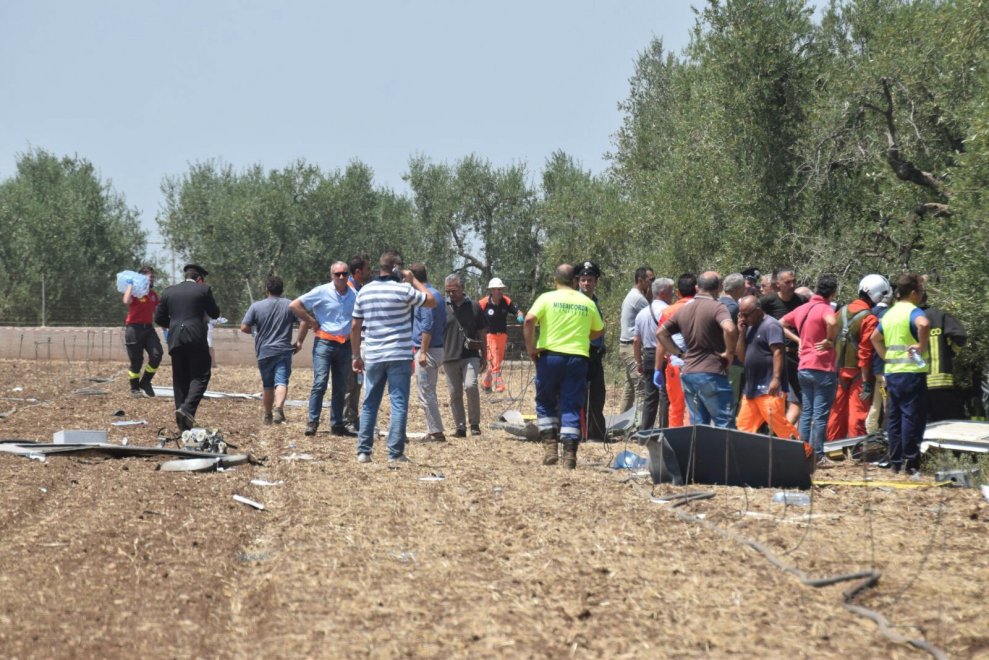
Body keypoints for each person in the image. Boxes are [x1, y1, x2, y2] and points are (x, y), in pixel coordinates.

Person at [351, 249, 437, 462]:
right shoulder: (403, 290)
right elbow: (431, 300)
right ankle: (395, 454)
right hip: (398, 353)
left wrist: (355, 356)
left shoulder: (364, 291)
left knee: (370, 402)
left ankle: (364, 451)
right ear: (397, 268)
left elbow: (355, 325)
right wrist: (414, 280)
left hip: (373, 354)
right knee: (398, 403)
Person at [524, 264, 604, 469]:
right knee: (572, 405)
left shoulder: (546, 298)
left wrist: (531, 348)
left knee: (545, 400)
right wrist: (580, 336)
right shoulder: (587, 302)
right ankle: (570, 454)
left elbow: (529, 320)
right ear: (576, 281)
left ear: (555, 280)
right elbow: (598, 331)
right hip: (578, 358)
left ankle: (550, 447)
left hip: (550, 357)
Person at [658, 271, 737, 427]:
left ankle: (697, 452)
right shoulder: (717, 307)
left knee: (698, 425)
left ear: (697, 287)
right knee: (724, 422)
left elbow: (661, 333)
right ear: (719, 288)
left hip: (689, 373)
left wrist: (679, 353)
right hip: (712, 373)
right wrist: (729, 353)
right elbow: (729, 329)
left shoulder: (684, 309)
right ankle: (725, 452)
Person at [290, 261, 357, 437]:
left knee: (340, 386)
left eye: (344, 273)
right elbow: (294, 305)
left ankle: (337, 425)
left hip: (345, 345)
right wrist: (312, 321)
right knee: (320, 383)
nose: (341, 277)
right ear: (332, 276)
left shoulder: (354, 295)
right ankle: (312, 422)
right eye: (337, 274)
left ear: (348, 274)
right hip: (324, 343)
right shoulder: (322, 291)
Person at [872, 274, 930, 474]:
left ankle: (895, 462)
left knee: (894, 418)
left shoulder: (889, 313)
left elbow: (875, 338)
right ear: (913, 293)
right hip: (912, 373)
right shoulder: (913, 311)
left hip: (893, 373)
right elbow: (923, 324)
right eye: (921, 292)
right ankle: (911, 464)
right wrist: (921, 346)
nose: (922, 296)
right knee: (911, 417)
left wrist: (886, 357)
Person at [154, 264, 220, 431]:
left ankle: (182, 425)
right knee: (201, 375)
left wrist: (174, 325)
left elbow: (159, 317)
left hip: (175, 338)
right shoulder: (203, 290)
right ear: (199, 278)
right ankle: (187, 409)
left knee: (180, 379)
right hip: (196, 337)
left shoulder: (169, 291)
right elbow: (215, 313)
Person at [782, 274, 839, 465]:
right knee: (820, 415)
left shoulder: (803, 308)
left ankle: (803, 452)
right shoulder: (824, 308)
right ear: (833, 293)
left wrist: (799, 340)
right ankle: (819, 455)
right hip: (822, 367)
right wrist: (830, 340)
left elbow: (781, 323)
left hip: (804, 366)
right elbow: (832, 322)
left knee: (806, 412)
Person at [825, 274, 887, 442]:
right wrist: (867, 381)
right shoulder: (869, 318)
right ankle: (856, 451)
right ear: (876, 295)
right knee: (857, 413)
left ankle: (833, 449)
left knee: (836, 412)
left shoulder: (839, 312)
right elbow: (865, 353)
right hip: (858, 374)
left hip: (837, 371)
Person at [240, 276, 304, 424]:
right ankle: (278, 409)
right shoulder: (290, 305)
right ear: (282, 290)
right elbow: (304, 322)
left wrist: (255, 331)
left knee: (267, 385)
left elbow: (244, 327)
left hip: (264, 351)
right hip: (283, 350)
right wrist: (299, 342)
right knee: (281, 381)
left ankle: (268, 415)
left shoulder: (256, 306)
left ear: (267, 290)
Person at [734, 295, 799, 438]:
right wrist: (741, 333)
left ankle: (804, 454)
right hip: (751, 389)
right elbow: (741, 357)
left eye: (746, 315)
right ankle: (743, 459)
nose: (743, 318)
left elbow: (778, 352)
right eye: (740, 315)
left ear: (757, 311)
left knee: (779, 426)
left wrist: (776, 379)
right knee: (743, 428)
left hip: (769, 388)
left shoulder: (771, 325)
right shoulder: (748, 327)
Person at [443, 274, 487, 437]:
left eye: (453, 291)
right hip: (449, 356)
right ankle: (460, 427)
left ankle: (474, 424)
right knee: (455, 393)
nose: (451, 294)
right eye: (448, 291)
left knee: (471, 386)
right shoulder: (442, 307)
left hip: (470, 355)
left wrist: (485, 355)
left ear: (462, 289)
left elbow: (483, 332)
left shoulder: (475, 307)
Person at [760, 268, 806, 424]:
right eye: (788, 282)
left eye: (794, 281)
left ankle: (784, 437)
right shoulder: (768, 302)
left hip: (796, 357)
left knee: (797, 401)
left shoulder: (801, 301)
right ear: (778, 284)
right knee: (772, 401)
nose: (792, 285)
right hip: (774, 357)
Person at [411, 262, 447, 442]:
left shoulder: (424, 297)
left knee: (426, 392)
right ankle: (434, 430)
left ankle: (436, 432)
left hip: (428, 350)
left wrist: (423, 352)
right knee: (429, 391)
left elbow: (427, 325)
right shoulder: (437, 294)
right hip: (437, 348)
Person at [654, 273, 696, 427]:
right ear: (697, 289)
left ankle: (674, 443)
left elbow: (661, 342)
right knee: (694, 407)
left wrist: (657, 368)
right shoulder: (704, 308)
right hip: (700, 365)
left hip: (676, 363)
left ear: (678, 292)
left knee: (677, 406)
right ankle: (693, 442)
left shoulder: (669, 311)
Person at [921, 292, 968, 421]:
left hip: (915, 381)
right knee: (944, 423)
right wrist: (951, 351)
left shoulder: (907, 317)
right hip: (941, 382)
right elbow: (961, 337)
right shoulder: (940, 316)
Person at [633, 277, 672, 430]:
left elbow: (636, 341)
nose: (672, 295)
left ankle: (645, 430)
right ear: (663, 293)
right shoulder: (667, 311)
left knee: (650, 395)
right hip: (664, 354)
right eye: (670, 292)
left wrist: (639, 362)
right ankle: (664, 429)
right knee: (665, 395)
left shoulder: (642, 313)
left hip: (648, 354)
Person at [577, 261, 608, 441]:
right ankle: (582, 433)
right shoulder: (577, 301)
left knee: (597, 394)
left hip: (595, 354)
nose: (586, 283)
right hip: (581, 353)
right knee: (580, 395)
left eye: (589, 280)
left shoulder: (595, 301)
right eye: (583, 280)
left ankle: (596, 431)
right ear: (578, 282)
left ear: (595, 282)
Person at [122, 265, 163, 398]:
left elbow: (158, 314)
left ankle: (145, 382)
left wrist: (167, 327)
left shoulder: (153, 294)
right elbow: (126, 301)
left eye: (153, 277)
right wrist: (130, 284)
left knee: (157, 354)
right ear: (141, 277)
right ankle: (134, 388)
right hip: (134, 329)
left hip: (148, 328)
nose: (153, 279)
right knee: (136, 361)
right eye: (150, 276)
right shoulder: (134, 291)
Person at [618, 266, 655, 414]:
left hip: (626, 346)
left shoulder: (634, 295)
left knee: (630, 388)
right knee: (641, 387)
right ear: (640, 280)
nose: (653, 282)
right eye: (651, 280)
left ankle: (622, 423)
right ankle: (639, 427)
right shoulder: (638, 298)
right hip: (631, 347)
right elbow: (654, 314)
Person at [342, 253, 371, 433]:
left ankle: (352, 417)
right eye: (367, 268)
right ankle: (346, 420)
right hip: (349, 344)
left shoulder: (360, 289)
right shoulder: (349, 291)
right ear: (359, 272)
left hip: (358, 343)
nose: (370, 271)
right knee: (349, 384)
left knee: (357, 383)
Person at [478, 277, 523, 393]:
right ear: (492, 290)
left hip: (502, 336)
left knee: (497, 361)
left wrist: (520, 315)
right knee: (494, 360)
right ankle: (499, 384)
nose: (500, 291)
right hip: (489, 336)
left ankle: (486, 383)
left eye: (501, 289)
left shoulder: (506, 301)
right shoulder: (483, 303)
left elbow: (516, 310)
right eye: (498, 289)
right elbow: (475, 315)